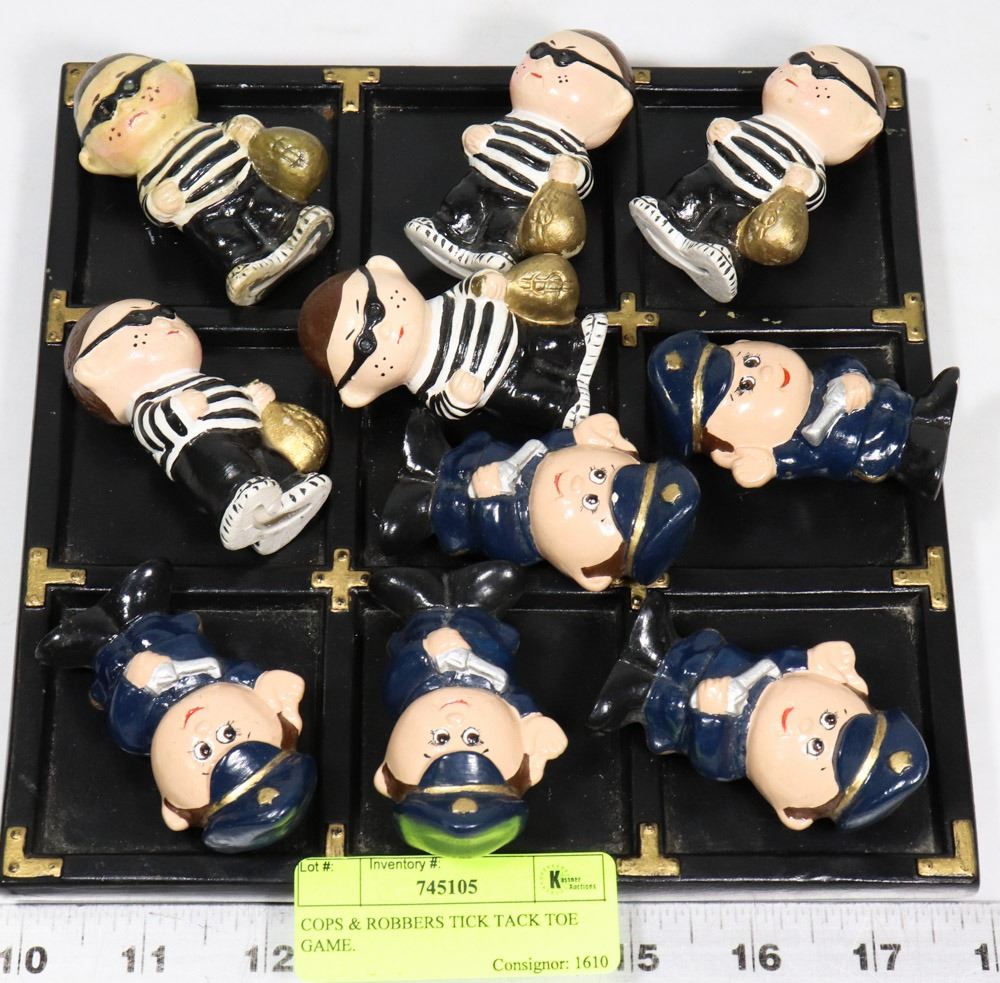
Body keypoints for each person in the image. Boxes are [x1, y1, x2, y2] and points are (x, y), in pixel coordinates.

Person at [35, 560, 316, 852]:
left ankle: (91, 643)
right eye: (228, 734)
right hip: (179, 647)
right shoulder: (227, 679)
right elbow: (248, 676)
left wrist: (134, 683)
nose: (203, 728)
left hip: (122, 675)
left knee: (112, 664)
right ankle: (141, 611)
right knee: (160, 632)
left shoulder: (140, 732)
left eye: (205, 751)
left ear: (173, 809)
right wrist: (267, 685)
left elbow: (125, 727)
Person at [589, 594, 929, 831]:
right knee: (683, 651)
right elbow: (783, 660)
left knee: (658, 702)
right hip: (716, 659)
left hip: (675, 709)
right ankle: (657, 641)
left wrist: (710, 716)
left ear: (793, 813)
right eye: (830, 720)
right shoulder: (781, 675)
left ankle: (630, 694)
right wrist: (812, 660)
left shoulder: (734, 759)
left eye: (816, 747)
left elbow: (711, 761)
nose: (807, 725)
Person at [65, 299, 331, 553]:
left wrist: (252, 400)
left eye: (166, 312)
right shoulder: (146, 404)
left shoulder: (201, 380)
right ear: (93, 368)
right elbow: (152, 429)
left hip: (248, 433)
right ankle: (235, 500)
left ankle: (286, 493)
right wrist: (177, 410)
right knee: (226, 467)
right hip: (201, 444)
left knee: (270, 461)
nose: (163, 321)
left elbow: (230, 398)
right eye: (139, 319)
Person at [630, 45, 886, 302]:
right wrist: (721, 132)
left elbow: (812, 193)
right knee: (690, 188)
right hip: (714, 173)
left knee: (730, 223)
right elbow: (726, 139)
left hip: (750, 202)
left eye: (824, 72)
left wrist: (802, 185)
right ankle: (671, 216)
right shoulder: (755, 124)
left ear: (863, 125)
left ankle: (719, 253)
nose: (801, 70)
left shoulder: (810, 159)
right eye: (799, 59)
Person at [74, 53, 333, 305]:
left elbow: (244, 137)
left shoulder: (210, 131)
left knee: (270, 207)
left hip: (245, 179)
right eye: (105, 111)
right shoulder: (150, 176)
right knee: (226, 238)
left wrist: (244, 131)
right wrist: (160, 205)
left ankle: (296, 230)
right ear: (94, 161)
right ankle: (250, 268)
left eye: (130, 85)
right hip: (204, 212)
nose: (125, 105)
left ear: (181, 74)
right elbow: (154, 211)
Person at [380, 409, 699, 592]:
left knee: (417, 516)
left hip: (451, 509)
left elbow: (498, 540)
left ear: (588, 574)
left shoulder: (522, 543)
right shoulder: (553, 453)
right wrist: (582, 435)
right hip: (470, 456)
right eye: (599, 474)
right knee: (448, 452)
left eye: (591, 502)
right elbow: (557, 441)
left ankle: (413, 506)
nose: (577, 483)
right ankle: (430, 454)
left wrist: (489, 501)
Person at [371, 563, 567, 856]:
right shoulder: (506, 700)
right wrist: (534, 725)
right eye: (473, 739)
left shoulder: (403, 693)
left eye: (440, 739)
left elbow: (397, 677)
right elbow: (517, 702)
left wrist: (426, 650)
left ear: (385, 772)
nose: (455, 718)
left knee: (408, 605)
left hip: (421, 633)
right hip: (484, 641)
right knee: (503, 583)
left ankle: (423, 608)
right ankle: (474, 606)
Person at [404, 30, 633, 276]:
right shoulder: (510, 122)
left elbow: (583, 182)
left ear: (613, 103)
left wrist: (572, 173)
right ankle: (446, 230)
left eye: (564, 58)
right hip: (480, 180)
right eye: (539, 51)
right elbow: (482, 136)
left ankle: (499, 252)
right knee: (462, 200)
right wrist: (474, 136)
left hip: (523, 200)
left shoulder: (571, 146)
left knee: (510, 224)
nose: (544, 62)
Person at [298, 255, 607, 430]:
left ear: (388, 270)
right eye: (365, 345)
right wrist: (457, 400)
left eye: (375, 310)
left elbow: (465, 290)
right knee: (525, 396)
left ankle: (579, 343)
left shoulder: (440, 304)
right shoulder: (423, 381)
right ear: (361, 392)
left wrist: (482, 284)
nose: (385, 331)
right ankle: (565, 405)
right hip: (501, 382)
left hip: (516, 330)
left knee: (544, 341)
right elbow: (442, 408)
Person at [648, 330, 958, 499]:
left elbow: (844, 362)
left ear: (744, 343)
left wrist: (852, 376)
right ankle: (919, 462)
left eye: (751, 360)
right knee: (887, 445)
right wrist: (764, 463)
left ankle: (927, 410)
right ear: (730, 451)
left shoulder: (820, 377)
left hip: (887, 402)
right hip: (869, 445)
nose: (767, 371)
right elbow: (796, 461)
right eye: (745, 386)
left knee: (894, 400)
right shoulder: (792, 445)